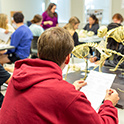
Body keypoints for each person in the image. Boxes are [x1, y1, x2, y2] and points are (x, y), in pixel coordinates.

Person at [0, 27, 119, 124]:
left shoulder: (18, 77)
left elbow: (43, 97)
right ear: (68, 58)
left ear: (39, 52)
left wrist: (69, 90)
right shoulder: (65, 94)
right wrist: (109, 104)